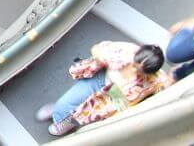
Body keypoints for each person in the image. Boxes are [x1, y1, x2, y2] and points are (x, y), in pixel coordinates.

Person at [34, 41, 172, 136]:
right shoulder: (127, 50)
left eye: (140, 71)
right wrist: (102, 57)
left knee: (84, 115)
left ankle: (66, 123)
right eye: (135, 64)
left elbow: (165, 87)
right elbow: (98, 48)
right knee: (67, 101)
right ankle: (58, 111)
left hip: (113, 100)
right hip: (101, 80)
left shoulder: (155, 81)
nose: (134, 69)